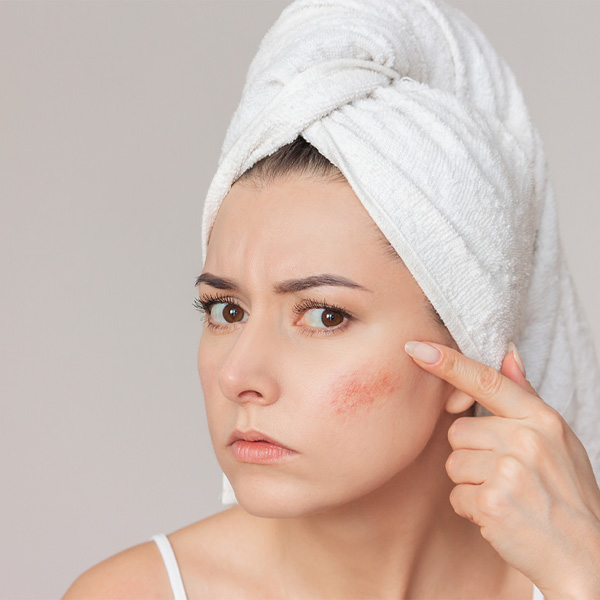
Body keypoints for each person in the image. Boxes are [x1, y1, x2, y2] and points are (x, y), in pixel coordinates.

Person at [64, 0, 600, 598]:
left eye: (323, 315)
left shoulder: (568, 579)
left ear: (465, 353)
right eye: (226, 311)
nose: (238, 374)